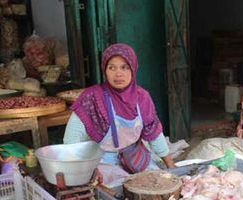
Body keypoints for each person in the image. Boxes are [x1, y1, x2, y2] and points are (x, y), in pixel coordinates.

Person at [63, 43, 175, 178]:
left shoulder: (142, 97)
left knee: (159, 182)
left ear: (133, 69)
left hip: (134, 158)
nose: (118, 74)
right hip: (102, 163)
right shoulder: (91, 98)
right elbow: (71, 139)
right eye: (112, 68)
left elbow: (154, 132)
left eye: (125, 67)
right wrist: (88, 170)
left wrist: (171, 166)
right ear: (105, 70)